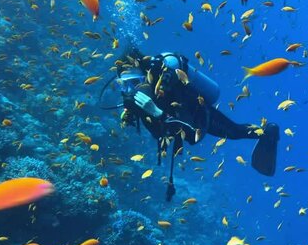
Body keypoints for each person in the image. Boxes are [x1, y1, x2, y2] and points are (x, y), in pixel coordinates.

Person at [108, 49, 279, 201]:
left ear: (145, 77)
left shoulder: (165, 88)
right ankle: (265, 132)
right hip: (180, 116)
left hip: (197, 115)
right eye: (123, 85)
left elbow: (191, 135)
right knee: (234, 131)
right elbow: (159, 132)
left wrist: (157, 113)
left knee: (234, 132)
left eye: (133, 82)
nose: (130, 90)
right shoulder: (140, 97)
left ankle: (269, 132)